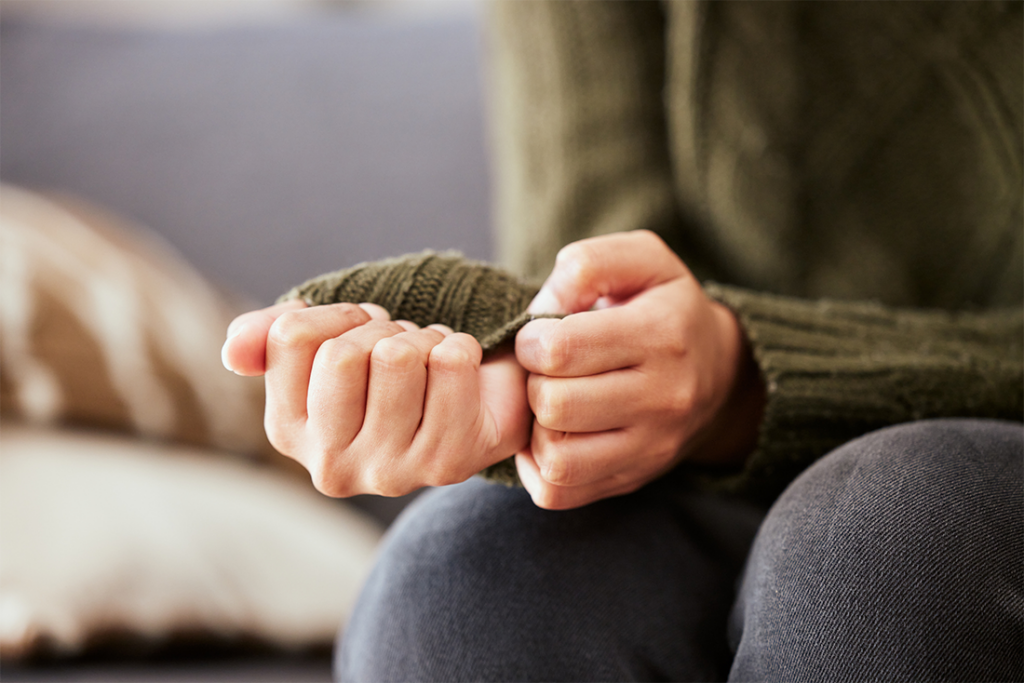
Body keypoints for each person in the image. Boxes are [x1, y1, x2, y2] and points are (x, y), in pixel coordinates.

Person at [222, 0, 1024, 680]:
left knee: (890, 544)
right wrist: (547, 383)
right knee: (461, 579)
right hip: (699, 464)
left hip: (948, 454)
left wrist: (738, 374)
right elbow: (584, 269)